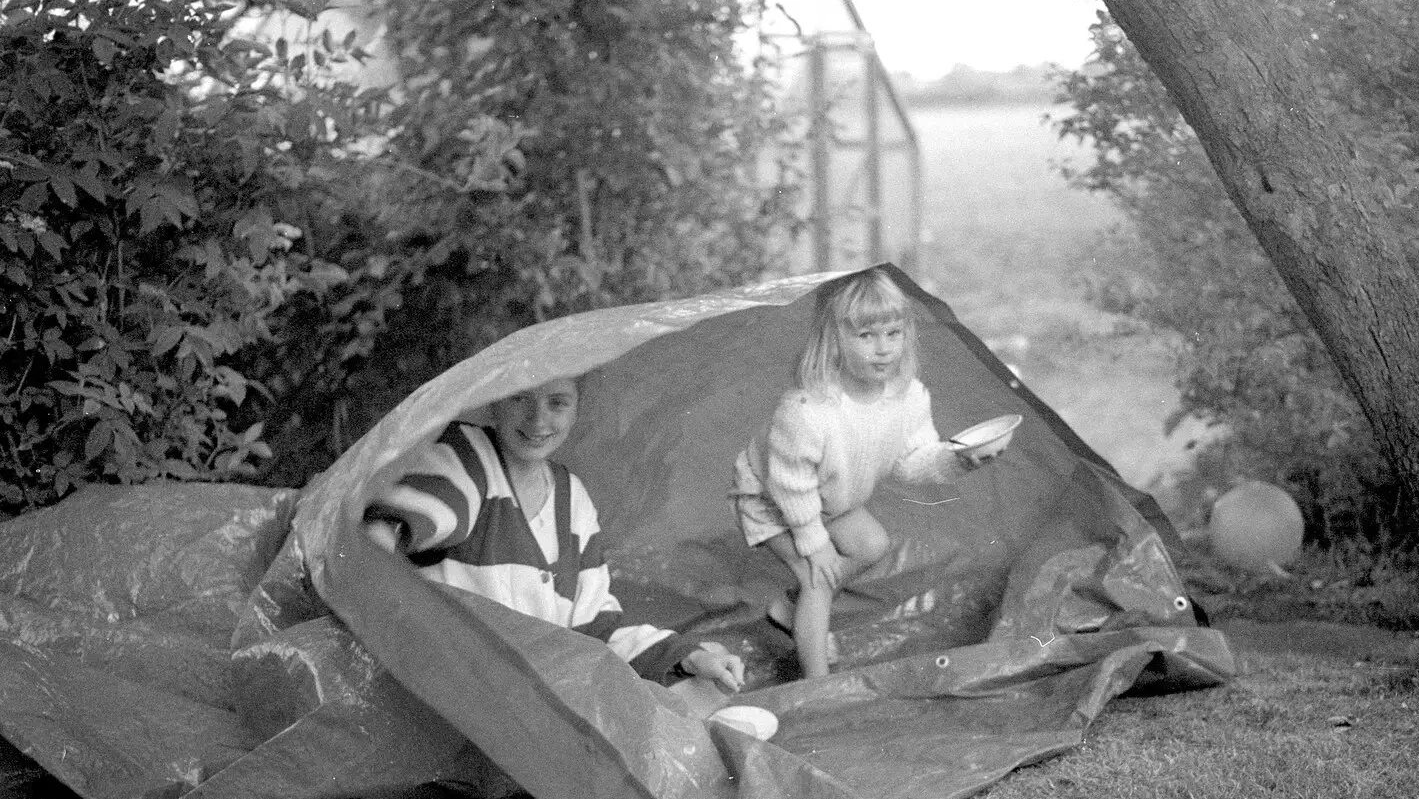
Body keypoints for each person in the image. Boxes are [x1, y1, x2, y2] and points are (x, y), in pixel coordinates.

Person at [365, 377, 744, 715]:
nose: (537, 420)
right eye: (519, 399)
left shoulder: (572, 497)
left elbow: (594, 630)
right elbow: (413, 516)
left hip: (538, 705)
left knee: (707, 679)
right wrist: (388, 537)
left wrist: (690, 657)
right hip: (460, 702)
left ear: (578, 408)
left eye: (557, 402)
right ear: (494, 401)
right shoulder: (465, 456)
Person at [731, 269, 997, 679]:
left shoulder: (907, 397)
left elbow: (913, 461)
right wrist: (813, 544)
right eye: (866, 336)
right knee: (817, 577)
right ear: (834, 340)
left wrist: (955, 461)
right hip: (773, 499)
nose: (883, 349)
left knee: (873, 545)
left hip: (829, 498)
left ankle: (788, 609)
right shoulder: (807, 409)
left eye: (893, 333)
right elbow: (789, 482)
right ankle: (817, 684)